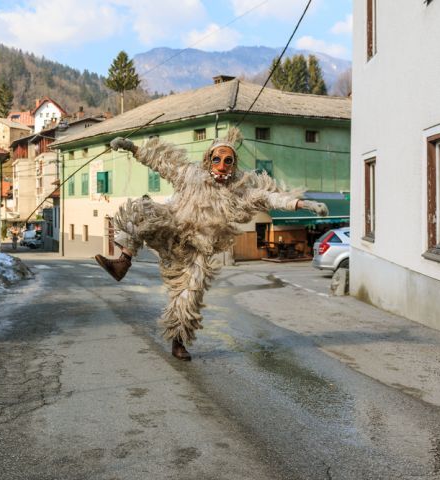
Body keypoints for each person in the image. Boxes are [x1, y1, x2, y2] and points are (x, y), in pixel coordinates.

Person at [94, 127, 328, 361]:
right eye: (217, 159)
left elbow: (269, 197)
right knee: (140, 209)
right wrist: (131, 147)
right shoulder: (190, 174)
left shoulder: (238, 191)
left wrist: (302, 204)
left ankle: (178, 342)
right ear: (209, 159)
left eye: (228, 161)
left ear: (233, 164)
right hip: (171, 226)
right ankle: (123, 262)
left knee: (189, 294)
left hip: (195, 248)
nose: (222, 165)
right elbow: (159, 162)